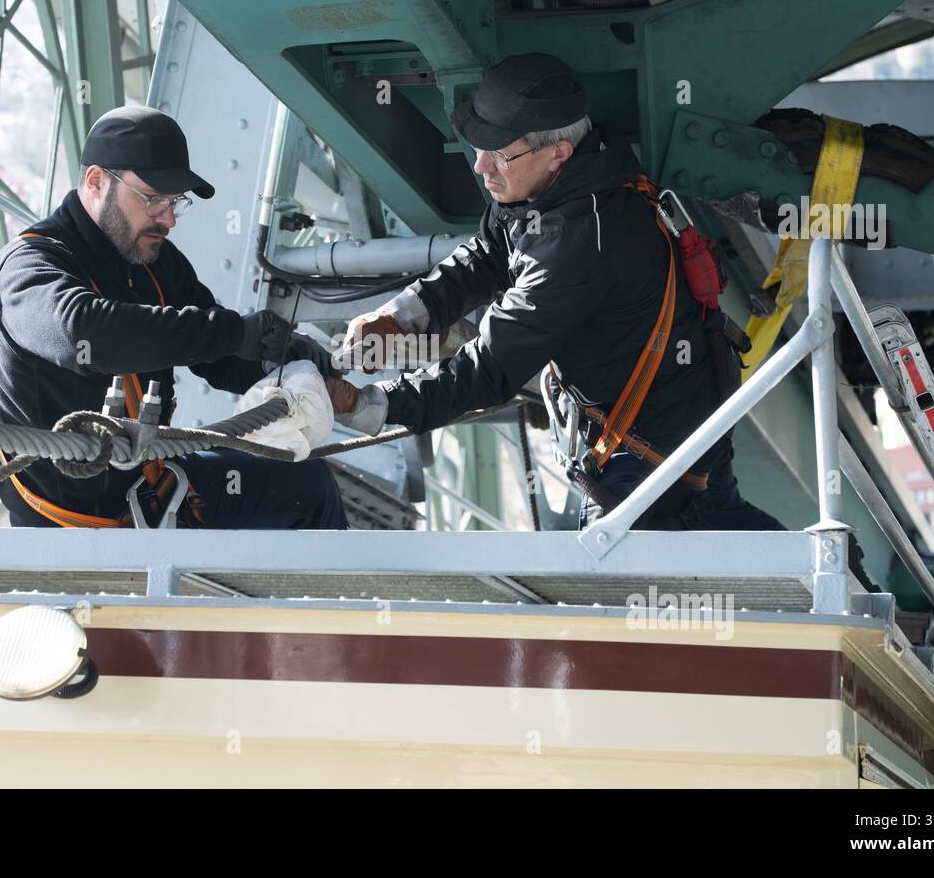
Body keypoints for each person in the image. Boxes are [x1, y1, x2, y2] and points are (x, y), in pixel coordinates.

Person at [330, 54, 781, 531]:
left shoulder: (577, 243)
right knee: (724, 523)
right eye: (478, 146)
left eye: (500, 154)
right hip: (690, 430)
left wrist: (371, 404)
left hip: (647, 465)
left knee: (617, 596)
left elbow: (489, 369)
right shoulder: (573, 179)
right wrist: (403, 314)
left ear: (558, 153)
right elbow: (488, 254)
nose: (481, 166)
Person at [0, 105, 347, 530]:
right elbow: (88, 334)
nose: (168, 219)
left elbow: (217, 352)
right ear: (96, 181)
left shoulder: (152, 261)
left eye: (175, 202)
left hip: (156, 494)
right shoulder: (27, 269)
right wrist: (233, 332)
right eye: (153, 199)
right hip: (75, 529)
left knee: (308, 483)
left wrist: (279, 359)